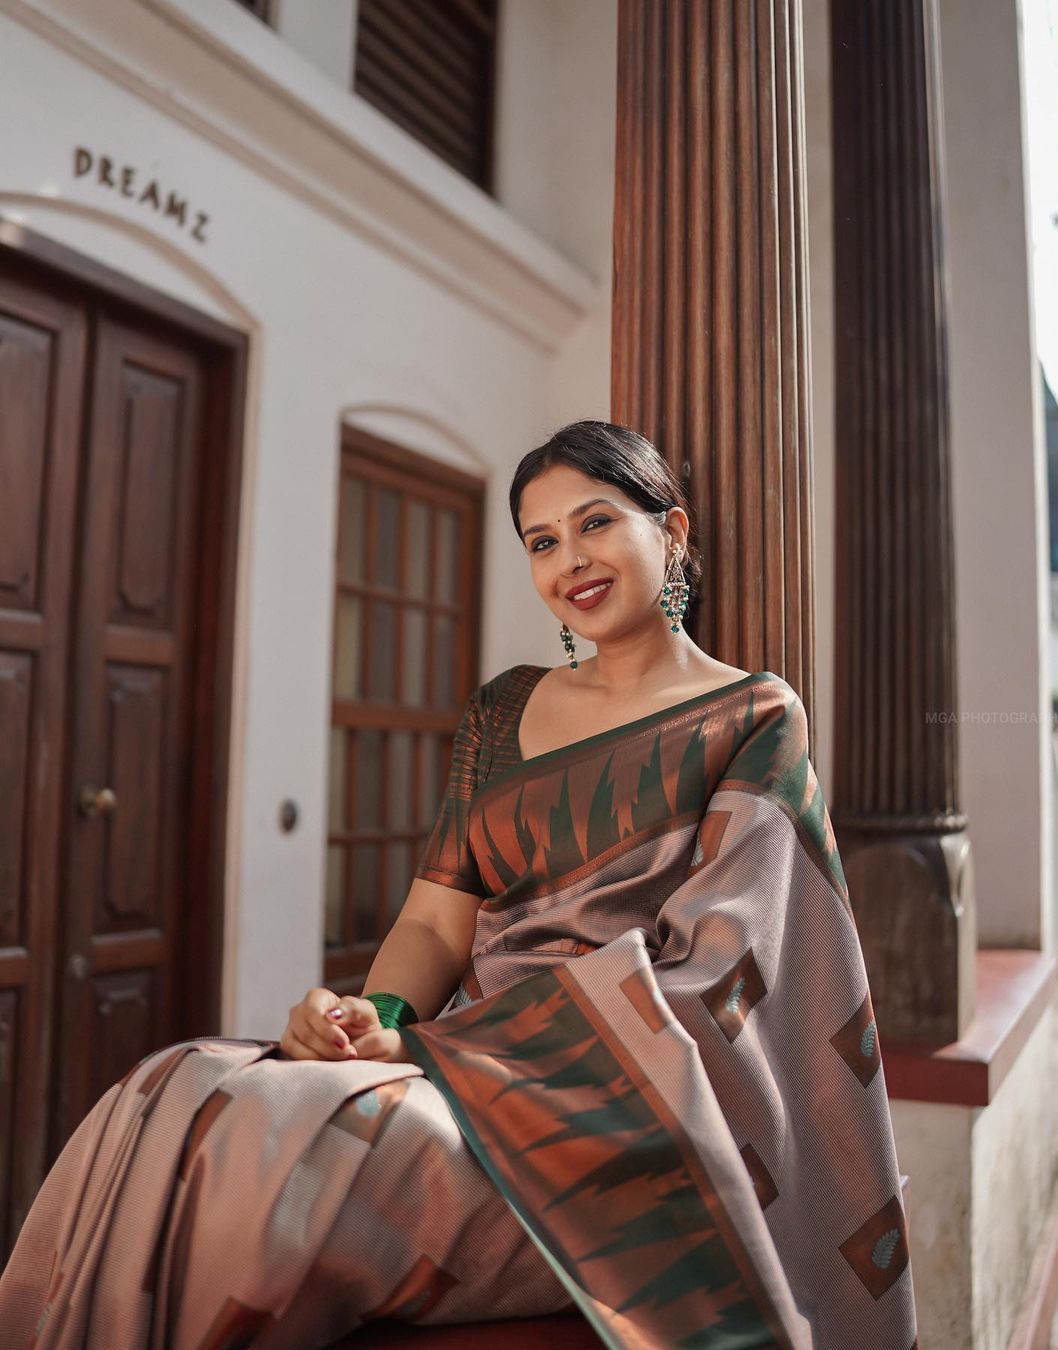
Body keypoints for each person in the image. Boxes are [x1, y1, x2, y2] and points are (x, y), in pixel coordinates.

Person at [0, 420, 917, 1349]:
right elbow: (437, 926)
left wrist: (436, 1053)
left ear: (671, 531)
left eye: (596, 523)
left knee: (263, 1136)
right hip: (456, 1057)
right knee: (175, 1085)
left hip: (611, 1105)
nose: (571, 560)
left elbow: (724, 972)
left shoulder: (754, 714)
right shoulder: (503, 708)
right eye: (543, 542)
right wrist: (378, 1018)